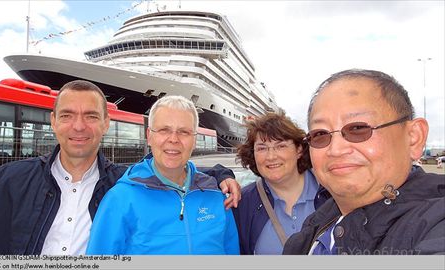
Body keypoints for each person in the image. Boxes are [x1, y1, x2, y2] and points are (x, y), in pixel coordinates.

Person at [0, 81, 241, 255]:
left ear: (106, 124)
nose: (79, 126)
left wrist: (220, 176)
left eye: (91, 116)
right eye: (67, 115)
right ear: (53, 121)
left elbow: (171, 169)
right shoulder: (10, 179)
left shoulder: (121, 182)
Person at [283, 69, 445, 255]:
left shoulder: (435, 226)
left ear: (413, 137)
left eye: (358, 128)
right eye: (320, 134)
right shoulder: (318, 224)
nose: (336, 150)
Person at [86, 95, 239, 255]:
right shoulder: (120, 199)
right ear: (149, 136)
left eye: (184, 132)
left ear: (194, 140)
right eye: (164, 130)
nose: (173, 139)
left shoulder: (216, 194)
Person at [233, 112, 319, 254]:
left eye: (281, 146)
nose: (271, 156)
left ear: (299, 150)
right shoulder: (242, 203)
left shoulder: (329, 192)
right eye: (262, 148)